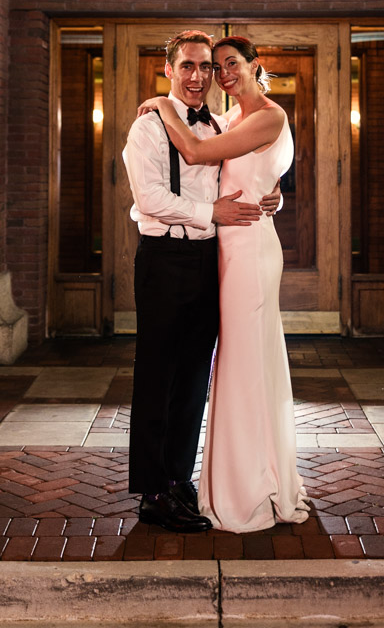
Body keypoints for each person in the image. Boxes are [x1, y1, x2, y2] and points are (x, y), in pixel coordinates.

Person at [137, 35, 309, 534]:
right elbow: (232, 176)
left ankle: (241, 485)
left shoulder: (255, 118)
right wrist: (267, 192)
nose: (218, 74)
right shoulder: (221, 120)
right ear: (173, 70)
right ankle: (173, 488)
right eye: (214, 66)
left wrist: (161, 106)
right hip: (200, 254)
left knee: (230, 368)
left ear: (255, 66)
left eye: (226, 64)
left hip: (242, 253)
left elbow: (201, 156)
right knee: (204, 370)